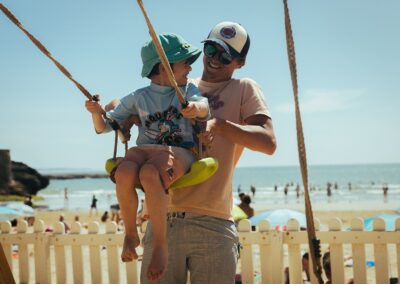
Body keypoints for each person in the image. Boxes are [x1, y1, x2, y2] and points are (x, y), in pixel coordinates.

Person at [140, 22, 276, 283]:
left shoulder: (244, 88)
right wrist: (109, 111)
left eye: (225, 56)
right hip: (163, 221)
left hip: (214, 223)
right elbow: (139, 103)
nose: (214, 59)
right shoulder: (179, 85)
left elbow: (268, 142)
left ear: (240, 62)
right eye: (211, 49)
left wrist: (221, 125)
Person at [85, 33, 209, 281]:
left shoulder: (187, 90)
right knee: (124, 172)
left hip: (179, 152)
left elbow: (204, 107)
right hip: (144, 149)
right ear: (165, 67)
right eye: (184, 61)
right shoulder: (139, 96)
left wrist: (194, 108)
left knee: (150, 173)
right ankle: (131, 233)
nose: (190, 67)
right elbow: (106, 127)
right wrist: (96, 113)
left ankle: (160, 244)